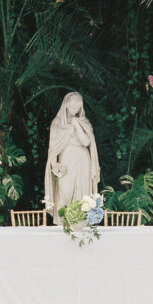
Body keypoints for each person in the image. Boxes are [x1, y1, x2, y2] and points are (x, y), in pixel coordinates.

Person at [44, 92, 100, 223]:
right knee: (65, 190)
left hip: (83, 158)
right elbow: (53, 147)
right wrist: (54, 164)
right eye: (72, 105)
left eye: (78, 105)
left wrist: (76, 125)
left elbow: (86, 142)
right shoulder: (57, 123)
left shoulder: (84, 122)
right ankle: (63, 222)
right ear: (66, 105)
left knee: (83, 191)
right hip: (66, 158)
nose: (75, 108)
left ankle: (81, 222)